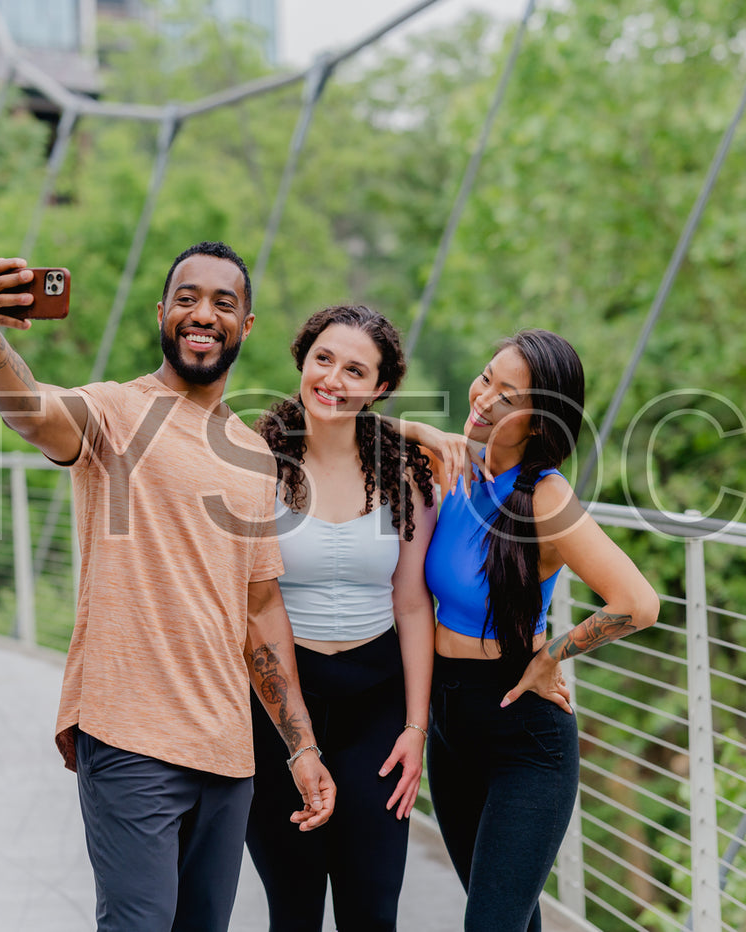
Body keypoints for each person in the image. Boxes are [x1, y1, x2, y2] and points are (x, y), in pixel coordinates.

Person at [0, 242, 336, 932]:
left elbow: (259, 611)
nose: (204, 314)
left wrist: (302, 747)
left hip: (228, 752)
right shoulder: (114, 411)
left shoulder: (253, 456)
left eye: (223, 303)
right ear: (162, 313)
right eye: (188, 298)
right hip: (130, 736)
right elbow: (30, 410)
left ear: (246, 326)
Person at [418, 329, 660, 932]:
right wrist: (420, 430)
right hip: (448, 726)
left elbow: (637, 601)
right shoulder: (451, 465)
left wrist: (555, 653)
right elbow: (345, 430)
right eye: (485, 378)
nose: (484, 398)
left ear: (539, 420)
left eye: (508, 395)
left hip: (523, 733)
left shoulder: (546, 499)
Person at [246, 305, 438, 931]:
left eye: (356, 369)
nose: (333, 378)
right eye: (324, 359)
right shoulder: (253, 463)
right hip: (276, 708)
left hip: (376, 707)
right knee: (293, 911)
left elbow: (412, 604)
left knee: (372, 909)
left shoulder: (404, 473)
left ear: (380, 389)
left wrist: (416, 728)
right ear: (302, 359)